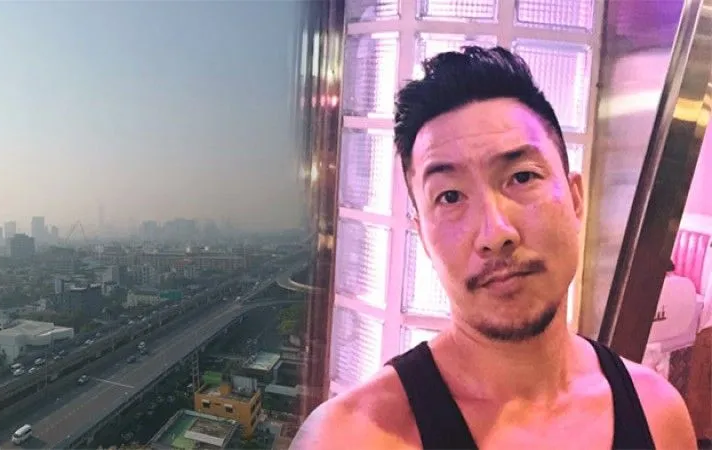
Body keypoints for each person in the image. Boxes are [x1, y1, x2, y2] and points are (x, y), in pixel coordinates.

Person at [290, 47, 696, 449]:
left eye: (522, 177)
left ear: (575, 200)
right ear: (423, 237)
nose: (495, 232)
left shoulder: (657, 414)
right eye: (450, 197)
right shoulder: (351, 437)